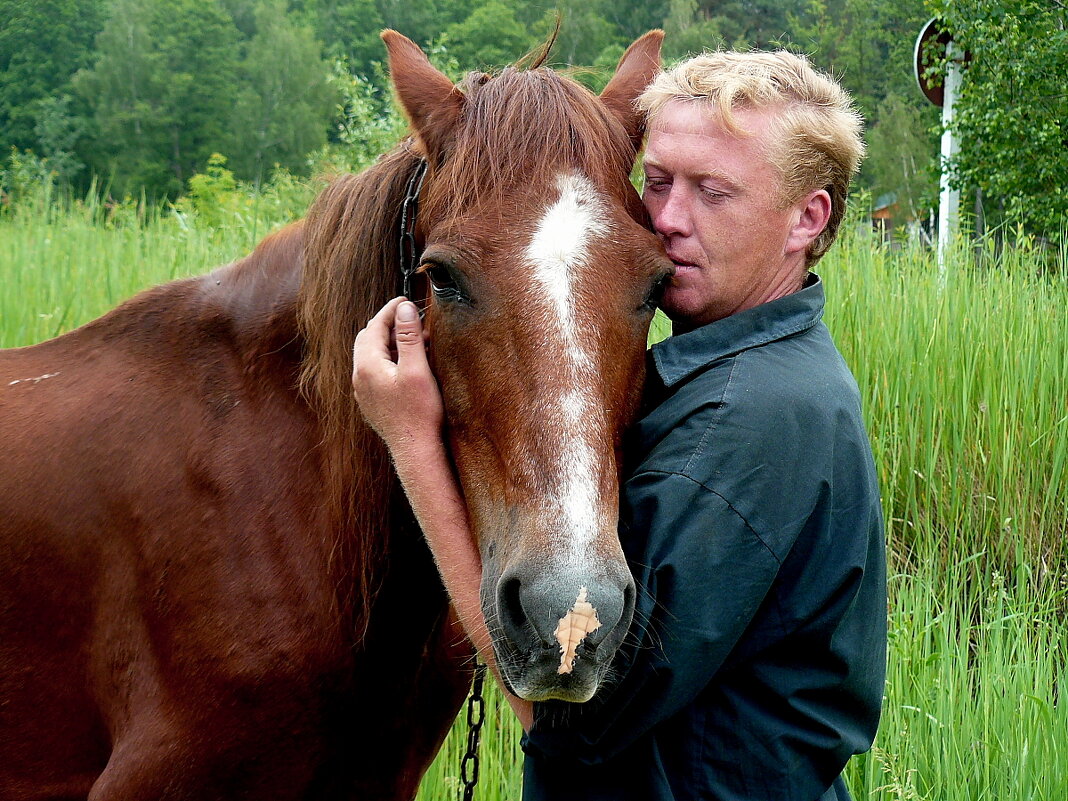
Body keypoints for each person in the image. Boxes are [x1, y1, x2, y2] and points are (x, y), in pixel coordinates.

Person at [353, 50, 886, 801]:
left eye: (713, 191)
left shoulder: (751, 418)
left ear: (808, 217)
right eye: (659, 180)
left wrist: (410, 439)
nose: (666, 219)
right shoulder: (766, 371)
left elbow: (566, 716)